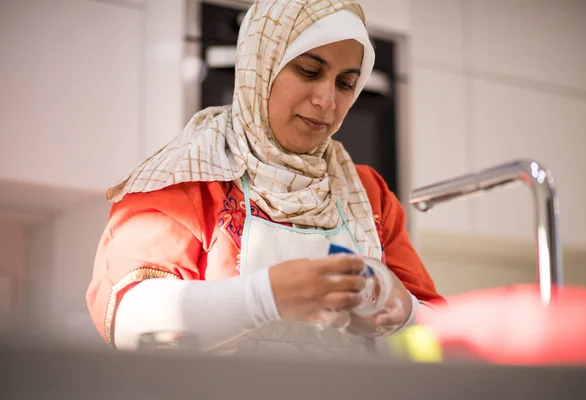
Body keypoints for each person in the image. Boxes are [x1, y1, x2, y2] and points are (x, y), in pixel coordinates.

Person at [86, 0, 443, 358]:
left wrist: (404, 314)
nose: (326, 100)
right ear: (261, 65)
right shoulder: (188, 176)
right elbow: (129, 321)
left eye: (346, 83)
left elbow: (443, 345)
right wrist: (266, 297)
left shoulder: (369, 195)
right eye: (307, 70)